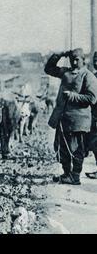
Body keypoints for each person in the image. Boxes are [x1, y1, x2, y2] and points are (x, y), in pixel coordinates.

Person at [44, 48, 97, 185]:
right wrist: (60, 54)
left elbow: (92, 98)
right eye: (72, 59)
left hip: (79, 120)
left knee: (76, 149)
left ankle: (75, 176)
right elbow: (49, 69)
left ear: (83, 60)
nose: (74, 62)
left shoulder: (88, 76)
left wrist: (73, 96)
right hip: (63, 119)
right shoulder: (66, 73)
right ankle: (66, 173)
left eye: (77, 59)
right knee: (61, 148)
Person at [86, 52, 97, 179]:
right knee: (94, 143)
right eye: (95, 60)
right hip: (93, 115)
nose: (96, 63)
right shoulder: (93, 77)